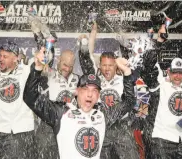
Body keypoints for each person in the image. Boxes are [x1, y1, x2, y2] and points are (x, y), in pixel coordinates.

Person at [23, 48, 135, 159]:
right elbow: (30, 98)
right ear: (76, 92)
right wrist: (36, 68)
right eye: (85, 89)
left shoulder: (103, 115)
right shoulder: (62, 113)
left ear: (98, 96)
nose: (90, 94)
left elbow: (129, 102)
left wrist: (127, 72)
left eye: (94, 91)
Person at [78, 23, 139, 159]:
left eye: (110, 65)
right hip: (101, 125)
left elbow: (130, 67)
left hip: (122, 127)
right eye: (104, 65)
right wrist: (84, 46)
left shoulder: (124, 77)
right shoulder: (96, 80)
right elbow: (87, 62)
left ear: (115, 65)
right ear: (100, 66)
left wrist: (124, 43)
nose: (107, 69)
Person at [0, 29, 35, 158]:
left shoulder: (26, 72)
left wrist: (42, 39)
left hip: (16, 132)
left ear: (15, 58)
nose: (1, 59)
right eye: (0, 55)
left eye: (5, 56)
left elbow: (43, 62)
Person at [141, 48, 182, 158]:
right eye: (175, 72)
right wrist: (158, 44)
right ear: (169, 71)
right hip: (162, 139)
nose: (178, 76)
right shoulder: (160, 84)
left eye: (181, 73)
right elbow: (148, 69)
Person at [34, 49, 79, 159]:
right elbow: (43, 63)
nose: (67, 69)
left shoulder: (77, 79)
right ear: (58, 60)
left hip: (69, 127)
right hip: (48, 127)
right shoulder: (48, 74)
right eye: (65, 64)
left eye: (71, 66)